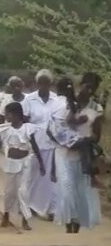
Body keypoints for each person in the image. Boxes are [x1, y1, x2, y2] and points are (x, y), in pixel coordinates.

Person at [49, 76, 102, 232]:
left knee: (80, 192)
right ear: (80, 85)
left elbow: (97, 135)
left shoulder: (96, 108)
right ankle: (67, 224)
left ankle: (76, 228)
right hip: (64, 153)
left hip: (83, 155)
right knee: (66, 189)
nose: (89, 90)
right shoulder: (64, 105)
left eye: (93, 87)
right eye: (87, 86)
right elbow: (55, 129)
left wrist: (85, 141)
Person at [22, 69, 65, 220]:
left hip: (53, 141)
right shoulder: (30, 99)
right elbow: (26, 121)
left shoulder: (56, 99)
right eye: (41, 83)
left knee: (52, 176)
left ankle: (51, 208)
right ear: (37, 83)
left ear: (50, 84)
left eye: (47, 83)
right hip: (35, 141)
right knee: (36, 174)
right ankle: (32, 204)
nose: (44, 86)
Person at [0, 101, 43, 231]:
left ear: (16, 115)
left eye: (8, 114)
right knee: (9, 192)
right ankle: (6, 214)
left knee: (23, 191)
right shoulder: (5, 128)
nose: (6, 116)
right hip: (11, 164)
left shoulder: (28, 128)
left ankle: (25, 219)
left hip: (25, 163)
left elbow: (34, 146)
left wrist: (41, 163)